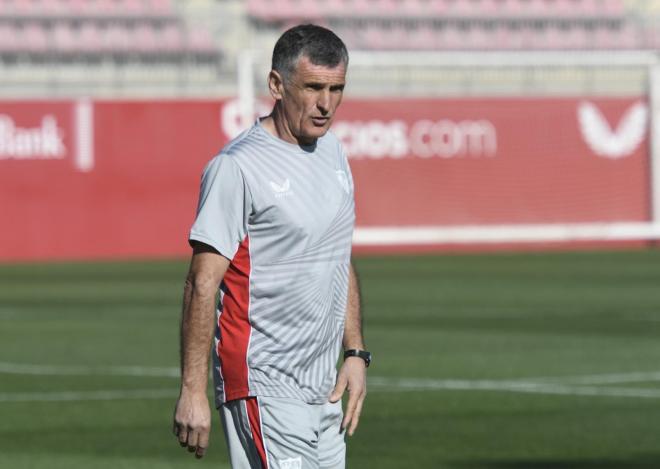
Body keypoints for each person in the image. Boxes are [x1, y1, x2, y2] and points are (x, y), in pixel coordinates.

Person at [172, 24, 371, 469]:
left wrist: (355, 352)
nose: (326, 104)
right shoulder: (236, 167)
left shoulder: (333, 152)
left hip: (324, 390)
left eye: (336, 88)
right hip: (264, 385)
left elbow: (337, 256)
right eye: (314, 87)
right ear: (277, 85)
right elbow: (201, 284)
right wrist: (192, 391)